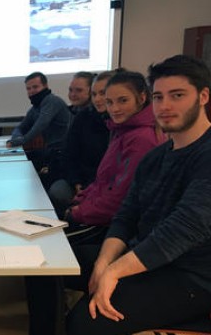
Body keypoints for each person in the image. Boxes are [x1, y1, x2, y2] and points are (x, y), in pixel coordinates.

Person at [65, 55, 211, 335]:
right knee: (54, 268)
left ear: (203, 96)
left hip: (193, 276)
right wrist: (104, 264)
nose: (165, 106)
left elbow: (182, 230)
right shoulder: (156, 157)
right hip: (150, 259)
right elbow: (125, 217)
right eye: (159, 97)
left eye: (178, 95)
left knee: (84, 327)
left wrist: (114, 272)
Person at [63, 71, 165, 233]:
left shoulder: (141, 138)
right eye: (109, 102)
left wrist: (79, 213)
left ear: (142, 98)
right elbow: (103, 181)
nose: (115, 109)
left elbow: (119, 199)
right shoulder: (121, 130)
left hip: (117, 227)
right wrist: (79, 201)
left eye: (123, 101)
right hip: (103, 215)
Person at [48, 71, 113, 218]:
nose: (98, 99)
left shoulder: (120, 126)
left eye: (103, 94)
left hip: (102, 186)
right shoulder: (82, 117)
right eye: (95, 94)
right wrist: (76, 182)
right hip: (80, 180)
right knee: (57, 191)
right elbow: (69, 154)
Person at [6, 72, 71, 187]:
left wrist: (18, 141)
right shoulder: (36, 107)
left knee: (32, 179)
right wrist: (15, 137)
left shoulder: (52, 101)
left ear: (45, 86)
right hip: (50, 151)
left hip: (62, 154)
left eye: (35, 87)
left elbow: (40, 126)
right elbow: (21, 127)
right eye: (28, 88)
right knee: (21, 164)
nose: (31, 91)